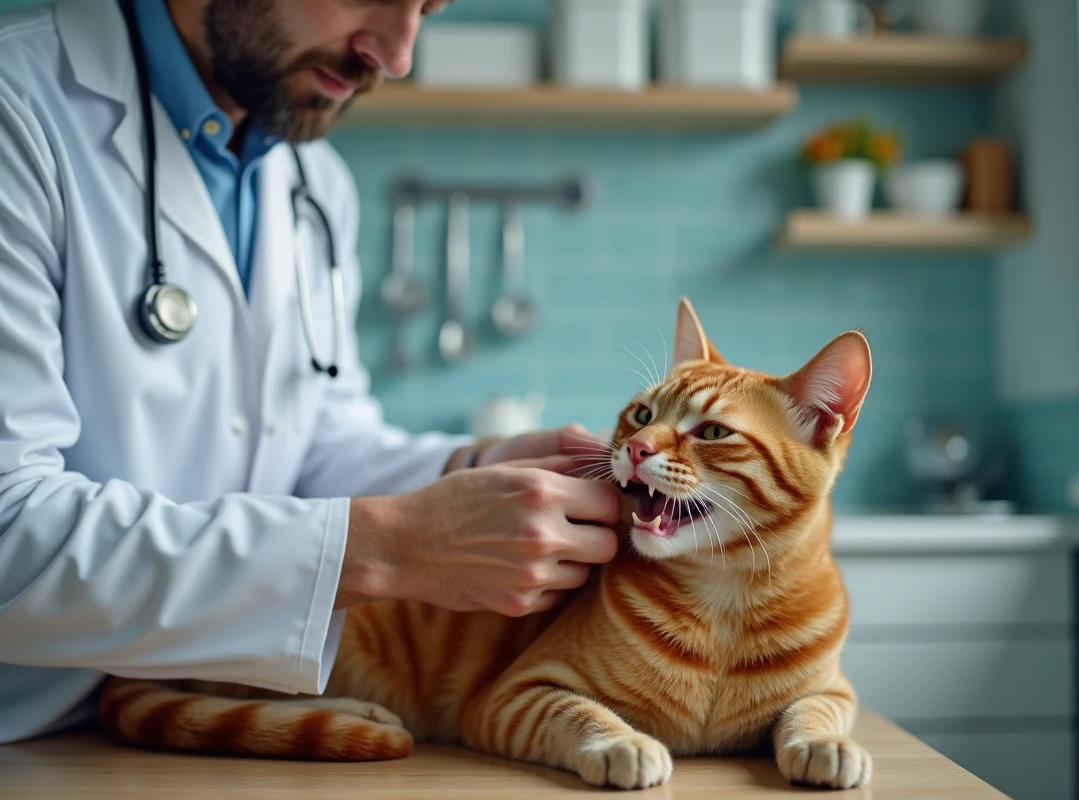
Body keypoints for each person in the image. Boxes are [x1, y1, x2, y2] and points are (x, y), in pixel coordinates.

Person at [0, 0, 620, 744]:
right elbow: (9, 531)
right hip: (24, 731)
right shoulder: (20, 111)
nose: (396, 55)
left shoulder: (312, 182)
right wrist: (387, 549)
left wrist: (474, 465)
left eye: (426, 7)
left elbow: (316, 441)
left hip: (180, 709)